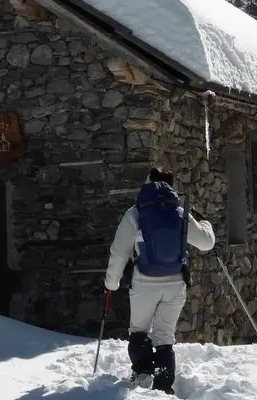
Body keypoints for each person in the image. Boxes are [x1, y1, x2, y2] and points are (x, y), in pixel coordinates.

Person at [104, 167, 215, 394]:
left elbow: (119, 252)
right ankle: (163, 385)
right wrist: (205, 223)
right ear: (171, 185)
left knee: (139, 329)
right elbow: (206, 243)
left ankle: (143, 373)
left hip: (144, 281)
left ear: (147, 182)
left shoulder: (135, 213)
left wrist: (111, 283)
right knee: (164, 335)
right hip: (175, 281)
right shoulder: (180, 212)